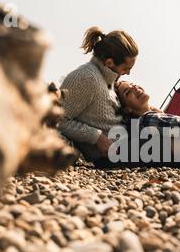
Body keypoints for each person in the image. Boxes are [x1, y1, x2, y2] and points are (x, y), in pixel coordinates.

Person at [58, 26, 138, 163]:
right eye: (125, 69)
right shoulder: (86, 77)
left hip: (128, 145)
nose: (128, 73)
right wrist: (97, 137)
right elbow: (58, 119)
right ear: (109, 62)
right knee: (173, 146)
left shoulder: (108, 80)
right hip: (113, 155)